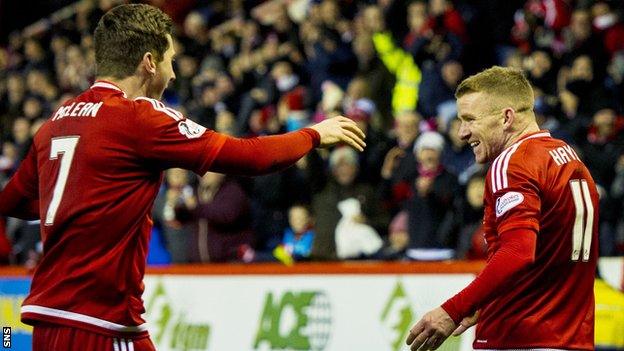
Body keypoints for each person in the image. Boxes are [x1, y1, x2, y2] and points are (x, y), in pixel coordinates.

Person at [0, 4, 365, 351]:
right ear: (148, 63)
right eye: (169, 60)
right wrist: (313, 134)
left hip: (48, 322)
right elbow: (248, 156)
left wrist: (85, 198)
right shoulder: (138, 117)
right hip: (100, 323)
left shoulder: (57, 122)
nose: (173, 73)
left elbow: (13, 201)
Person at [406, 66, 599, 350]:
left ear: (507, 117)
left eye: (470, 119)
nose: (462, 133)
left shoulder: (512, 164)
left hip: (519, 336)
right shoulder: (570, 159)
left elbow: (517, 252)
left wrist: (452, 310)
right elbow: (548, 256)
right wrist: (485, 301)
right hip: (570, 337)